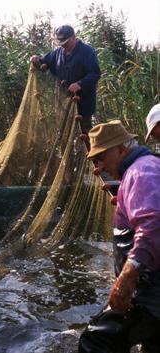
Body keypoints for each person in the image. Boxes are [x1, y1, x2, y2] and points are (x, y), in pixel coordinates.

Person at [78, 120, 160, 353]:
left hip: (151, 293)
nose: (99, 167)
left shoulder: (140, 172)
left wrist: (126, 277)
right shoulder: (147, 167)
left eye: (101, 157)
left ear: (122, 149)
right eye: (95, 161)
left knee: (95, 341)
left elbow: (153, 226)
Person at [30, 25, 101, 135]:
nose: (64, 46)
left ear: (73, 37)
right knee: (63, 134)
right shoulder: (58, 52)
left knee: (86, 134)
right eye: (61, 44)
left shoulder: (87, 51)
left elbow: (95, 73)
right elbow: (43, 63)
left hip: (83, 102)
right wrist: (35, 59)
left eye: (66, 43)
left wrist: (79, 84)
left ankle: (91, 152)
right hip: (63, 103)